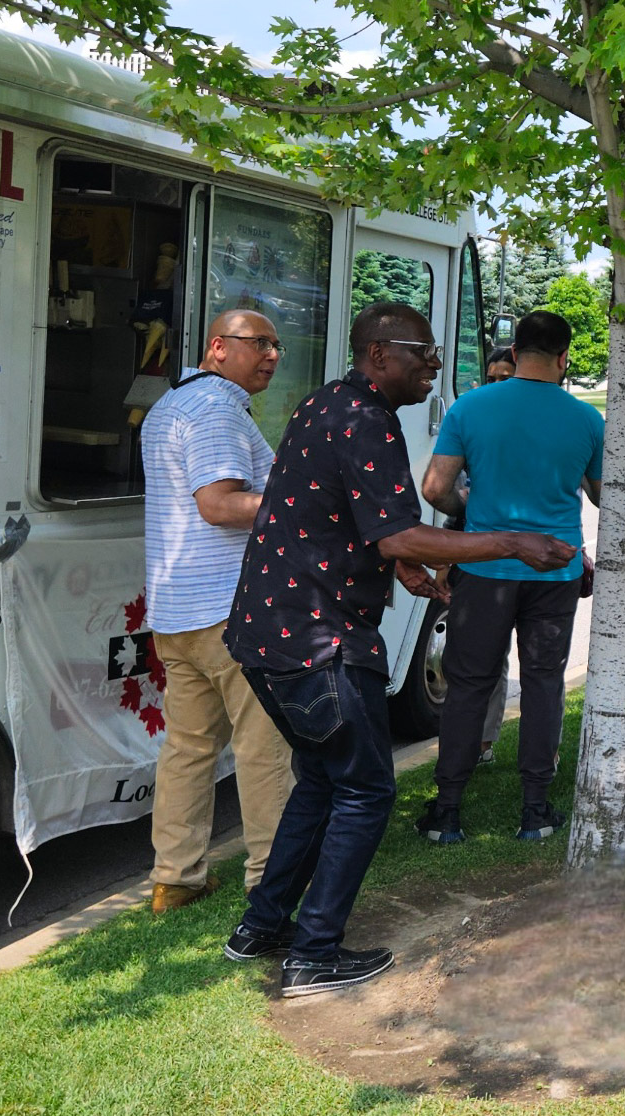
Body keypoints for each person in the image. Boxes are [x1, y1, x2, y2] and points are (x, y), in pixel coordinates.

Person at [221, 303, 574, 997]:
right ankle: (314, 954)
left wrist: (395, 564)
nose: (435, 364)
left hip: (266, 631)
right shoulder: (363, 419)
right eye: (423, 351)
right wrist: (511, 543)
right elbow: (398, 533)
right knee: (366, 789)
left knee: (322, 780)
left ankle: (263, 927)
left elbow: (337, 519)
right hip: (315, 640)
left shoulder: (326, 405)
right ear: (379, 354)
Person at [418, 311, 604, 843]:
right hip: (556, 571)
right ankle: (535, 809)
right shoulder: (587, 418)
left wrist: (469, 509)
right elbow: (602, 493)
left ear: (516, 350)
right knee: (545, 681)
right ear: (565, 358)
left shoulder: (471, 406)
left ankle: (448, 812)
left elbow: (435, 489)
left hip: (483, 568)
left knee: (468, 685)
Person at [141, 309, 293, 915]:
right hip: (230, 612)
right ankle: (271, 882)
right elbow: (221, 505)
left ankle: (176, 880)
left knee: (188, 749)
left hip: (177, 610)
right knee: (265, 748)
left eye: (277, 345)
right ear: (217, 347)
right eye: (258, 343)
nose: (273, 355)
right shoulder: (217, 408)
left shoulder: (173, 402)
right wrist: (303, 503)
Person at [472, 345, 519, 765]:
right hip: (484, 562)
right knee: (486, 658)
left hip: (539, 566)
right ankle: (482, 741)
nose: (499, 385)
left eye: (508, 377)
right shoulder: (476, 421)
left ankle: (543, 755)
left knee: (542, 670)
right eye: (493, 378)